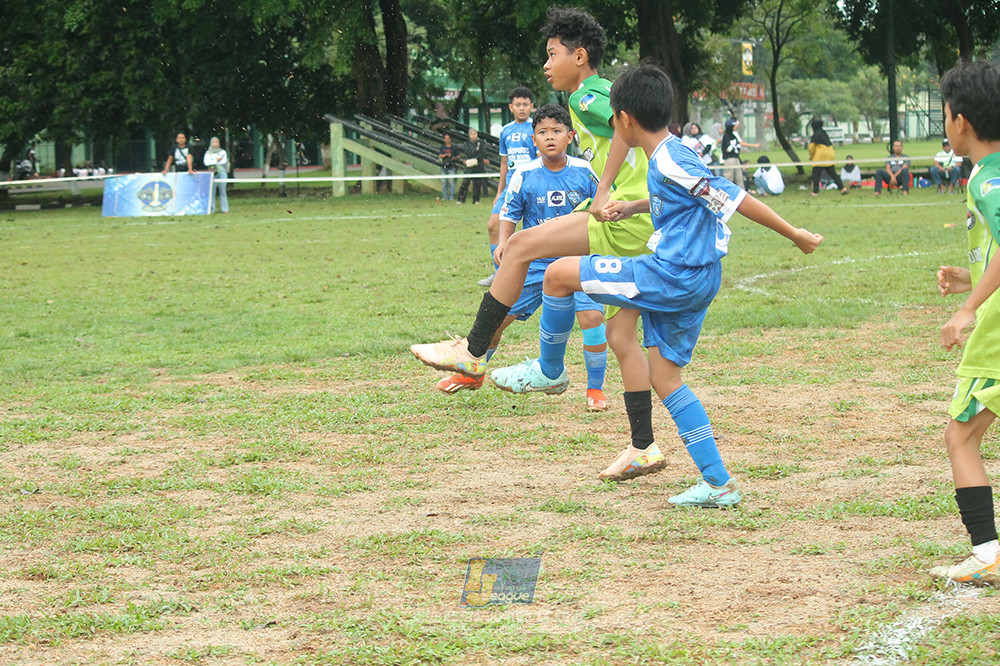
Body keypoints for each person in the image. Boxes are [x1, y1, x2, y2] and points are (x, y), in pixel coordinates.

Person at [533, 63, 821, 500]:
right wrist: (635, 206)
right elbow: (681, 192)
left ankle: (550, 372)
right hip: (697, 275)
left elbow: (733, 198)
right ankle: (718, 483)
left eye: (614, 120)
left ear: (625, 120)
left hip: (673, 274)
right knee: (664, 376)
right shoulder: (667, 153)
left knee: (557, 274)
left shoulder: (670, 157)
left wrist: (795, 234)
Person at [411, 7, 655, 414]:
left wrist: (607, 190)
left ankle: (478, 353)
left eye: (552, 54)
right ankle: (643, 445)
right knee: (618, 333)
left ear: (579, 58)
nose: (545, 65)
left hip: (630, 218)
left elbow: (628, 128)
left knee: (522, 246)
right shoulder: (595, 93)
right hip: (638, 216)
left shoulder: (587, 94)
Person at [436, 104, 608, 412]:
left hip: (579, 259)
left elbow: (602, 205)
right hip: (536, 262)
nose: (550, 137)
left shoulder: (584, 171)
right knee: (497, 321)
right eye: (543, 132)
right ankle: (472, 372)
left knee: (592, 319)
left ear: (570, 136)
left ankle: (595, 389)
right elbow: (509, 212)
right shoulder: (524, 174)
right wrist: (503, 243)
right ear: (533, 139)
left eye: (557, 131)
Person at [929, 60, 1000, 586]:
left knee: (961, 437)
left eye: (946, 113)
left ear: (962, 122)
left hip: (996, 338)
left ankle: (987, 553)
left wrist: (970, 306)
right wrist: (968, 279)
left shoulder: (988, 179)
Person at [481, 87, 537, 287]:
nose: (522, 109)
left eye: (525, 105)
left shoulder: (536, 128)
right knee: (493, 226)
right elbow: (504, 164)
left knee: (534, 232)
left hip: (531, 186)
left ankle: (534, 274)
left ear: (532, 106)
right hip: (510, 189)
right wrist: (499, 191)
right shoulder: (506, 131)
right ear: (511, 107)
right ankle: (500, 273)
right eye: (518, 105)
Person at [808, 119, 848, 196]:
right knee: (833, 174)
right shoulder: (824, 133)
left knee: (816, 174)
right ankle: (843, 189)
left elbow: (811, 148)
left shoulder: (815, 135)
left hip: (821, 157)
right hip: (830, 155)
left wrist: (812, 156)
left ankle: (815, 192)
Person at [720, 117, 758, 187]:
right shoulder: (726, 136)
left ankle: (742, 193)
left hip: (736, 158)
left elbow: (738, 145)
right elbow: (726, 149)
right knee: (729, 177)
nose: (735, 127)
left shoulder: (734, 135)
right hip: (729, 159)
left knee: (739, 177)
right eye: (733, 126)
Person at [456, 128, 489, 205]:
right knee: (465, 182)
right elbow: (468, 152)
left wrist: (478, 157)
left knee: (477, 184)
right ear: (469, 135)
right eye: (472, 134)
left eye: (475, 134)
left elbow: (483, 154)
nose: (473, 136)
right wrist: (476, 155)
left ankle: (476, 200)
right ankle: (460, 199)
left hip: (479, 166)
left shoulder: (481, 144)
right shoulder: (466, 144)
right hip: (470, 166)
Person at [202, 136, 230, 213]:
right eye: (213, 142)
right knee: (212, 191)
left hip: (222, 172)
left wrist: (212, 161)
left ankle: (225, 209)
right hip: (211, 173)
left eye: (217, 142)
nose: (215, 144)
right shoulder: (208, 153)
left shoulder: (223, 152)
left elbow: (223, 162)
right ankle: (211, 209)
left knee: (222, 191)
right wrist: (216, 160)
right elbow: (206, 162)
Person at [438, 132, 457, 201]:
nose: (447, 140)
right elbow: (440, 155)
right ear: (444, 140)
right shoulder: (442, 147)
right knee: (444, 182)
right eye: (446, 138)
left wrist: (453, 157)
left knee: (451, 181)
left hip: (452, 166)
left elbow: (458, 156)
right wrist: (446, 154)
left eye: (448, 138)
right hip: (444, 166)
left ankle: (451, 196)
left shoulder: (454, 147)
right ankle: (445, 196)